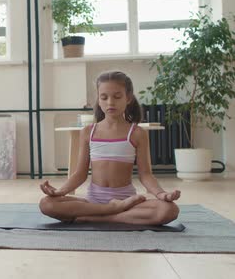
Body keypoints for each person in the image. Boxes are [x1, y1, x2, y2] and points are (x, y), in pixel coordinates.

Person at [39, 71, 180, 225]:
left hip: (127, 201)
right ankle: (111, 210)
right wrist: (61, 191)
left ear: (128, 99)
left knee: (169, 210)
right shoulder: (88, 132)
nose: (110, 102)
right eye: (104, 97)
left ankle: (101, 217)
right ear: (98, 100)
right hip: (93, 203)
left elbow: (145, 174)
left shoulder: (137, 133)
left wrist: (161, 194)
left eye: (117, 97)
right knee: (46, 204)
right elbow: (80, 174)